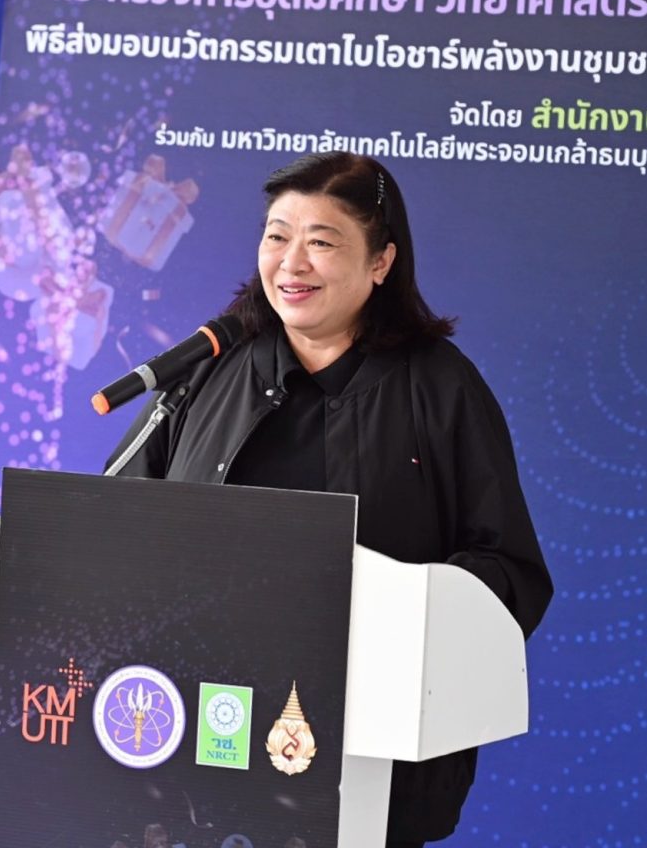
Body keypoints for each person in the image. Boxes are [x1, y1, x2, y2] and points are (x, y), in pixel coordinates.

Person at [107, 152, 553, 846]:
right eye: (277, 236)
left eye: (321, 241)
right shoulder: (206, 372)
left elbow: (509, 571)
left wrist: (400, 611)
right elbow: (113, 524)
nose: (292, 262)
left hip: (365, 757)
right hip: (198, 751)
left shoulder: (442, 388)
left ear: (381, 262)